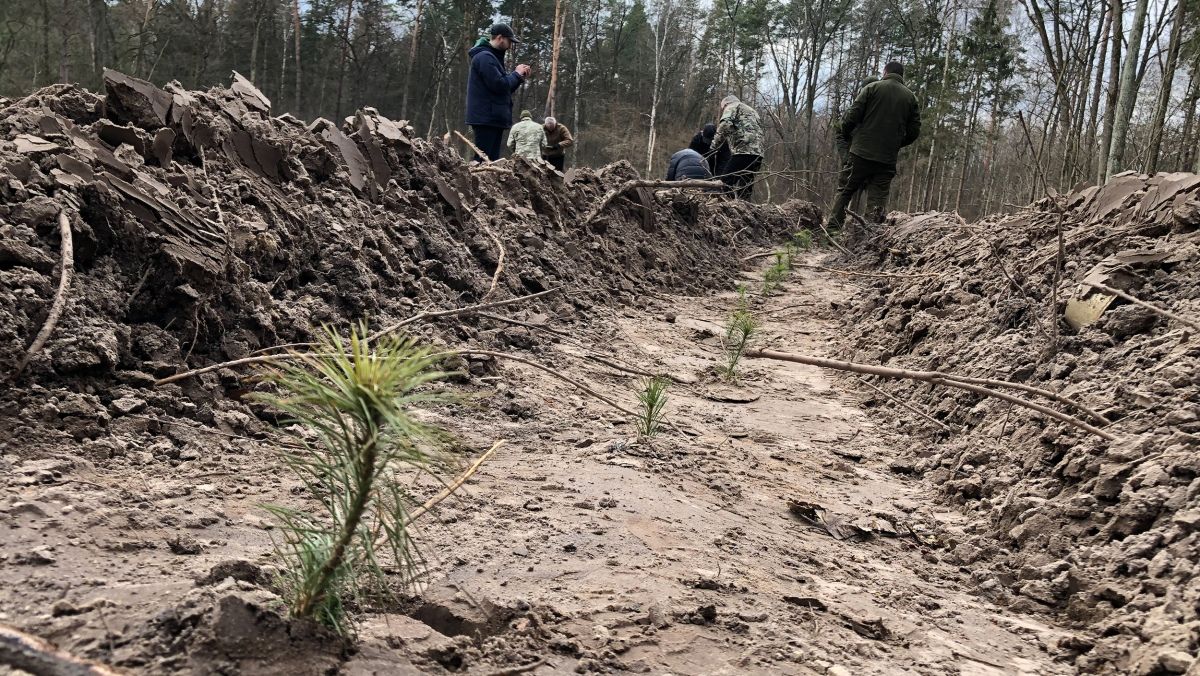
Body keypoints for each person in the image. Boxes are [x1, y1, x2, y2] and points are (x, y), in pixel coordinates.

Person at [826, 62, 920, 229]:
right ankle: (869, 239)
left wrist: (850, 137)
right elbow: (914, 132)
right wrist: (895, 143)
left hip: (860, 153)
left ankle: (832, 231)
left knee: (845, 191)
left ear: (885, 72)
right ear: (901, 75)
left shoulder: (872, 88)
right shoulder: (911, 98)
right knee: (877, 200)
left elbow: (851, 117)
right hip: (887, 159)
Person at [465, 24, 531, 161]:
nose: (510, 46)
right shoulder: (485, 57)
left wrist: (518, 78)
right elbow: (499, 85)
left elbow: (503, 90)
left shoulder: (493, 58)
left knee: (492, 160)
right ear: (500, 38)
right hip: (486, 118)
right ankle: (474, 182)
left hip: (492, 117)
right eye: (509, 41)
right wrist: (516, 74)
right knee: (482, 161)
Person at [710, 95, 765, 200]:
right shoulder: (752, 111)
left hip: (743, 150)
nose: (723, 111)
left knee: (725, 181)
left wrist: (714, 145)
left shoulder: (732, 106)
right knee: (746, 187)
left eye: (723, 109)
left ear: (726, 104)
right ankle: (743, 209)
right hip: (758, 153)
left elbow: (725, 124)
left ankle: (723, 206)